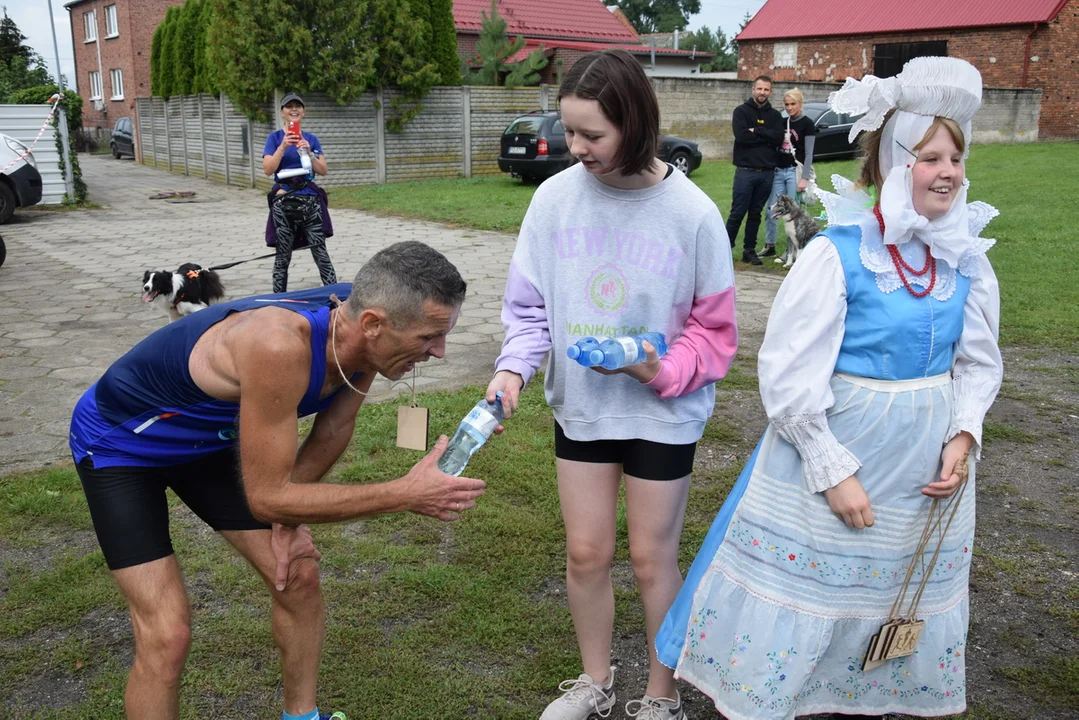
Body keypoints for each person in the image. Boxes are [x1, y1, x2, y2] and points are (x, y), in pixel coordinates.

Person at [653, 57, 1003, 720]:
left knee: (885, 597)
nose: (948, 173)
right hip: (841, 456)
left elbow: (977, 363)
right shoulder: (839, 252)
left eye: (955, 158)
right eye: (930, 157)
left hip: (922, 468)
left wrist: (962, 434)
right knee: (818, 593)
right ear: (895, 161)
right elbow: (787, 372)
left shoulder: (966, 261)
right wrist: (829, 467)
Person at [69, 241, 485, 720]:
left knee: (299, 575)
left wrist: (291, 519)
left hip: (205, 442)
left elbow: (334, 427)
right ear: (372, 324)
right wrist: (402, 494)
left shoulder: (363, 326)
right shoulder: (277, 345)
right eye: (430, 337)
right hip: (122, 445)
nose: (441, 352)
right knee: (167, 634)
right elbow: (268, 499)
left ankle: (301, 718)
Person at [486, 49, 738, 720]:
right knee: (585, 550)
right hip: (584, 411)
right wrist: (512, 369)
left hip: (663, 413)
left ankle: (660, 695)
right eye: (569, 132)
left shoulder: (691, 214)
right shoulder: (553, 201)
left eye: (591, 134)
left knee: (651, 560)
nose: (576, 148)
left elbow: (715, 336)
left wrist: (656, 369)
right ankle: (594, 684)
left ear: (634, 123)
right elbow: (528, 311)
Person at [263, 92, 338, 293]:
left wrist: (310, 153)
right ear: (282, 112)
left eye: (298, 106)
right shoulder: (275, 138)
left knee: (320, 253)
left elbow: (323, 170)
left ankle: (335, 298)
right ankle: (278, 302)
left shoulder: (311, 139)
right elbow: (268, 169)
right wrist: (283, 146)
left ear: (304, 112)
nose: (294, 109)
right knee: (282, 256)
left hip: (310, 203)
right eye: (289, 106)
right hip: (284, 202)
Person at [726, 75, 783, 266]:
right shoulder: (741, 112)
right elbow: (742, 137)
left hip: (766, 172)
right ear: (753, 89)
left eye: (766, 89)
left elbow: (777, 138)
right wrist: (766, 138)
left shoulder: (775, 116)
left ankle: (749, 250)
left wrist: (757, 131)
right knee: (738, 211)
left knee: (755, 213)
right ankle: (724, 248)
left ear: (770, 92)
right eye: (760, 89)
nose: (762, 93)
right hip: (745, 171)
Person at [762, 87, 817, 260]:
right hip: (779, 170)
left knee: (792, 214)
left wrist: (804, 178)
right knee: (771, 209)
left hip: (795, 170)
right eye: (787, 104)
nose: (790, 108)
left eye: (793, 104)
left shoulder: (807, 124)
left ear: (800, 103)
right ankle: (769, 245)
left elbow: (809, 153)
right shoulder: (782, 122)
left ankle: (790, 252)